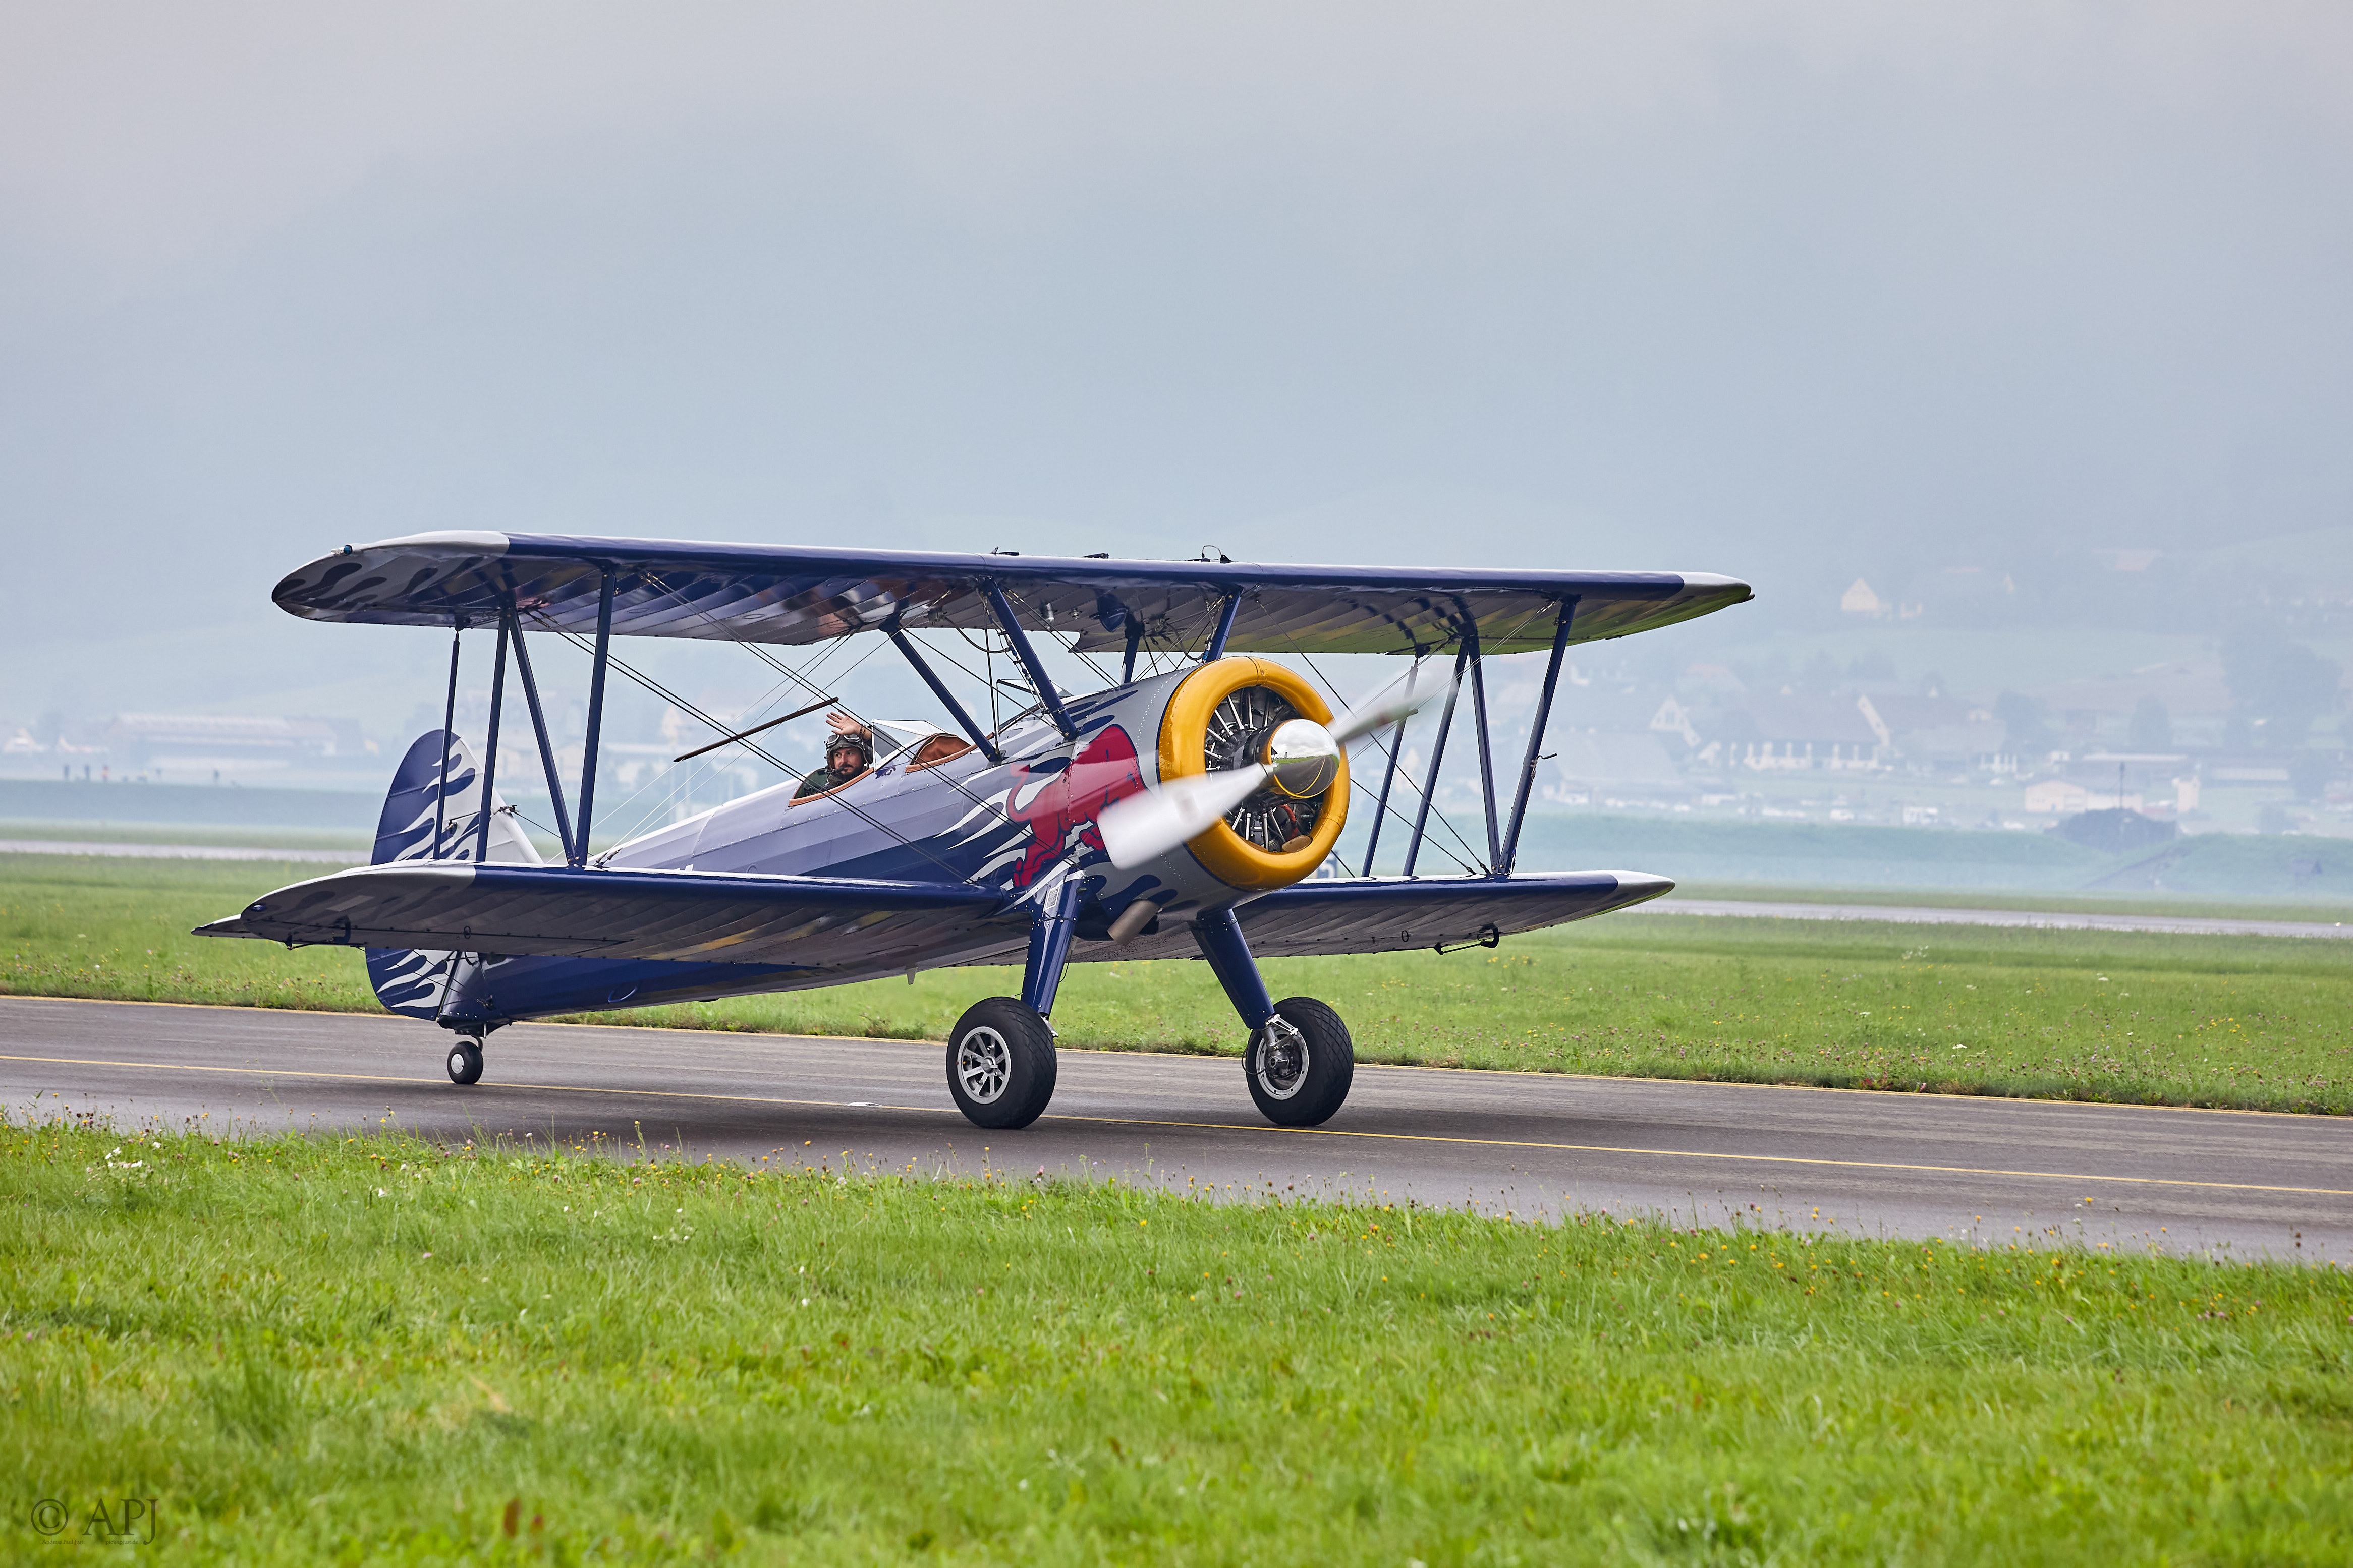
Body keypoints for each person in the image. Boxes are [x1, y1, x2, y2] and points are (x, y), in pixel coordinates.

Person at [793, 711, 876, 800]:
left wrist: (863, 732)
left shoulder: (879, 779)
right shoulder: (822, 797)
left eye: (850, 753)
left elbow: (892, 754)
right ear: (831, 761)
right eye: (838, 755)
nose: (843, 760)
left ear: (865, 756)